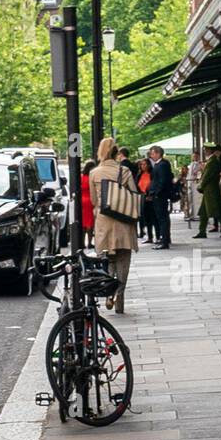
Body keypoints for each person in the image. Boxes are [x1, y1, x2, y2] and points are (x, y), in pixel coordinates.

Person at [90, 135, 140, 315]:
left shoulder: (94, 173)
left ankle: (109, 292)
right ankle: (120, 298)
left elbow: (95, 201)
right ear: (116, 153)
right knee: (123, 262)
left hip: (104, 223)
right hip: (123, 222)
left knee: (108, 260)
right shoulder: (124, 171)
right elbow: (134, 195)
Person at [195, 143, 221, 238]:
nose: (204, 151)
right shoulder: (212, 161)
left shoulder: (212, 161)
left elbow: (207, 176)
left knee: (214, 210)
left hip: (211, 190)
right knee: (203, 212)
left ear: (210, 150)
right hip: (209, 190)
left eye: (206, 149)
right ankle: (202, 232)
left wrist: (200, 186)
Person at [148, 145, 174, 249]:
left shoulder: (162, 165)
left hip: (160, 196)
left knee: (162, 218)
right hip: (159, 194)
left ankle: (165, 240)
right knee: (162, 218)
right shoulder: (160, 164)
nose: (151, 155)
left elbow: (162, 181)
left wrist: (156, 192)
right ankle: (165, 239)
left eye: (153, 153)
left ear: (158, 153)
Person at [136, 157, 154, 242]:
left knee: (153, 218)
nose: (143, 166)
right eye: (141, 164)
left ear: (149, 165)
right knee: (145, 218)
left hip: (150, 198)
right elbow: (137, 186)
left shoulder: (152, 174)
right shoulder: (140, 175)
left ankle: (158, 236)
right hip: (142, 198)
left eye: (145, 164)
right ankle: (149, 236)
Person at [80, 159, 96, 247]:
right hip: (90, 201)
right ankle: (89, 243)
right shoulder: (91, 178)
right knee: (90, 223)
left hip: (81, 201)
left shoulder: (81, 177)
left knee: (83, 223)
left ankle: (82, 242)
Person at [186, 150, 202, 226]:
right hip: (190, 183)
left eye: (195, 156)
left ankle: (196, 214)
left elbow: (199, 173)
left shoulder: (200, 164)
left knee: (195, 199)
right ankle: (191, 214)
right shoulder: (191, 164)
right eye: (193, 156)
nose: (194, 157)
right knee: (190, 199)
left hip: (195, 183)